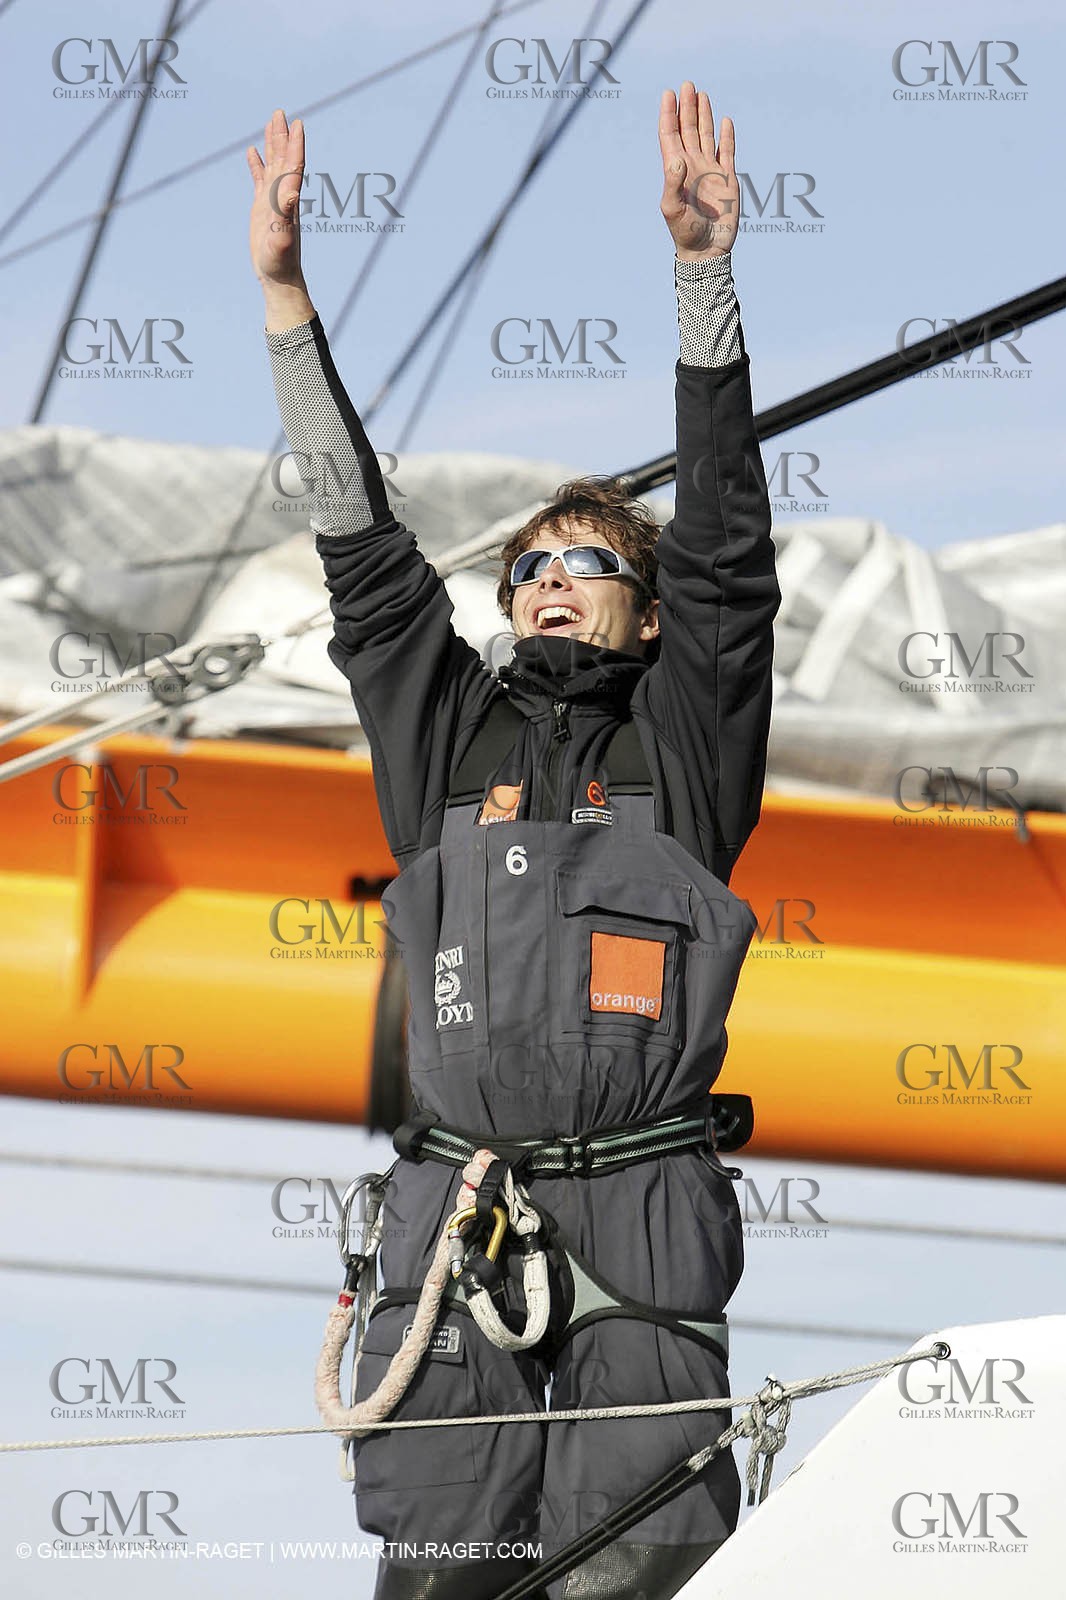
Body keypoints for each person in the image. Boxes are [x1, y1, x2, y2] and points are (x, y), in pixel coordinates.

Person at [247, 80, 779, 1600]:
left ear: (644, 608)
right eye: (532, 561)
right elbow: (359, 544)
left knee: (636, 1562)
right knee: (444, 1564)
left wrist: (700, 277)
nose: (550, 577)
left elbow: (731, 550)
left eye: (591, 562)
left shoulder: (680, 743)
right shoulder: (444, 733)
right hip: (450, 1209)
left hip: (642, 1214)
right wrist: (287, 304)